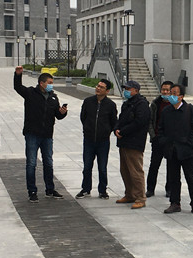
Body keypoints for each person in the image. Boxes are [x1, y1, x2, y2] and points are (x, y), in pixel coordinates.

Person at [14, 66, 68, 203]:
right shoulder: (31, 93)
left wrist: (63, 112)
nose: (51, 85)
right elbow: (18, 87)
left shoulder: (53, 97)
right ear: (41, 83)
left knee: (48, 163)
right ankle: (32, 191)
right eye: (49, 83)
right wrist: (18, 75)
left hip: (47, 135)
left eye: (52, 83)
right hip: (32, 134)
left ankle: (50, 189)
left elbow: (57, 115)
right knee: (31, 163)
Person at [160, 84, 193, 215]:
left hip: (186, 151)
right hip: (171, 150)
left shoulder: (191, 110)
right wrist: (164, 142)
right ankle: (174, 203)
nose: (171, 96)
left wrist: (189, 144)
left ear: (181, 96)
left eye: (174, 93)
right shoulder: (166, 111)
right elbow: (161, 129)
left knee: (191, 178)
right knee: (173, 178)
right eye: (170, 93)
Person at [77, 79, 117, 199]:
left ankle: (102, 190)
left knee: (102, 167)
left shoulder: (110, 105)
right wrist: (87, 128)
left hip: (103, 141)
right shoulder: (88, 101)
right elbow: (83, 117)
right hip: (89, 140)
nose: (98, 88)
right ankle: (86, 189)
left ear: (107, 91)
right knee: (87, 166)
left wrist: (106, 131)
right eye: (98, 86)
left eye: (101, 87)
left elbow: (113, 122)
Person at [114, 80, 151, 209]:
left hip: (134, 142)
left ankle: (140, 197)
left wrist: (123, 131)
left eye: (128, 89)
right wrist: (116, 129)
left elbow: (139, 122)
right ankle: (130, 194)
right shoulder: (127, 103)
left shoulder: (142, 104)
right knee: (125, 170)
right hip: (123, 141)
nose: (126, 91)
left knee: (135, 171)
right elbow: (120, 119)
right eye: (125, 88)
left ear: (136, 90)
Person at [146, 80, 174, 198]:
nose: (165, 92)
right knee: (154, 165)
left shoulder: (175, 104)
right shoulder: (155, 103)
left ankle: (170, 189)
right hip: (157, 139)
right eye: (163, 90)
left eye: (168, 90)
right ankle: (150, 189)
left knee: (171, 166)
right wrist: (153, 136)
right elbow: (150, 121)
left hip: (171, 140)